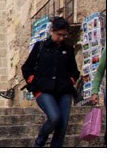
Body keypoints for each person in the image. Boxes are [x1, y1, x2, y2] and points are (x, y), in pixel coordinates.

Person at [22, 16, 81, 147]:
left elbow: (75, 71)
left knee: (62, 126)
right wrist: (33, 82)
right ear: (52, 31)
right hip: (43, 90)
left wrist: (71, 80)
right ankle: (39, 142)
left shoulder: (68, 49)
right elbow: (26, 68)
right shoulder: (40, 46)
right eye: (59, 34)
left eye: (64, 35)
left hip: (64, 91)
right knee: (55, 117)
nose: (61, 38)